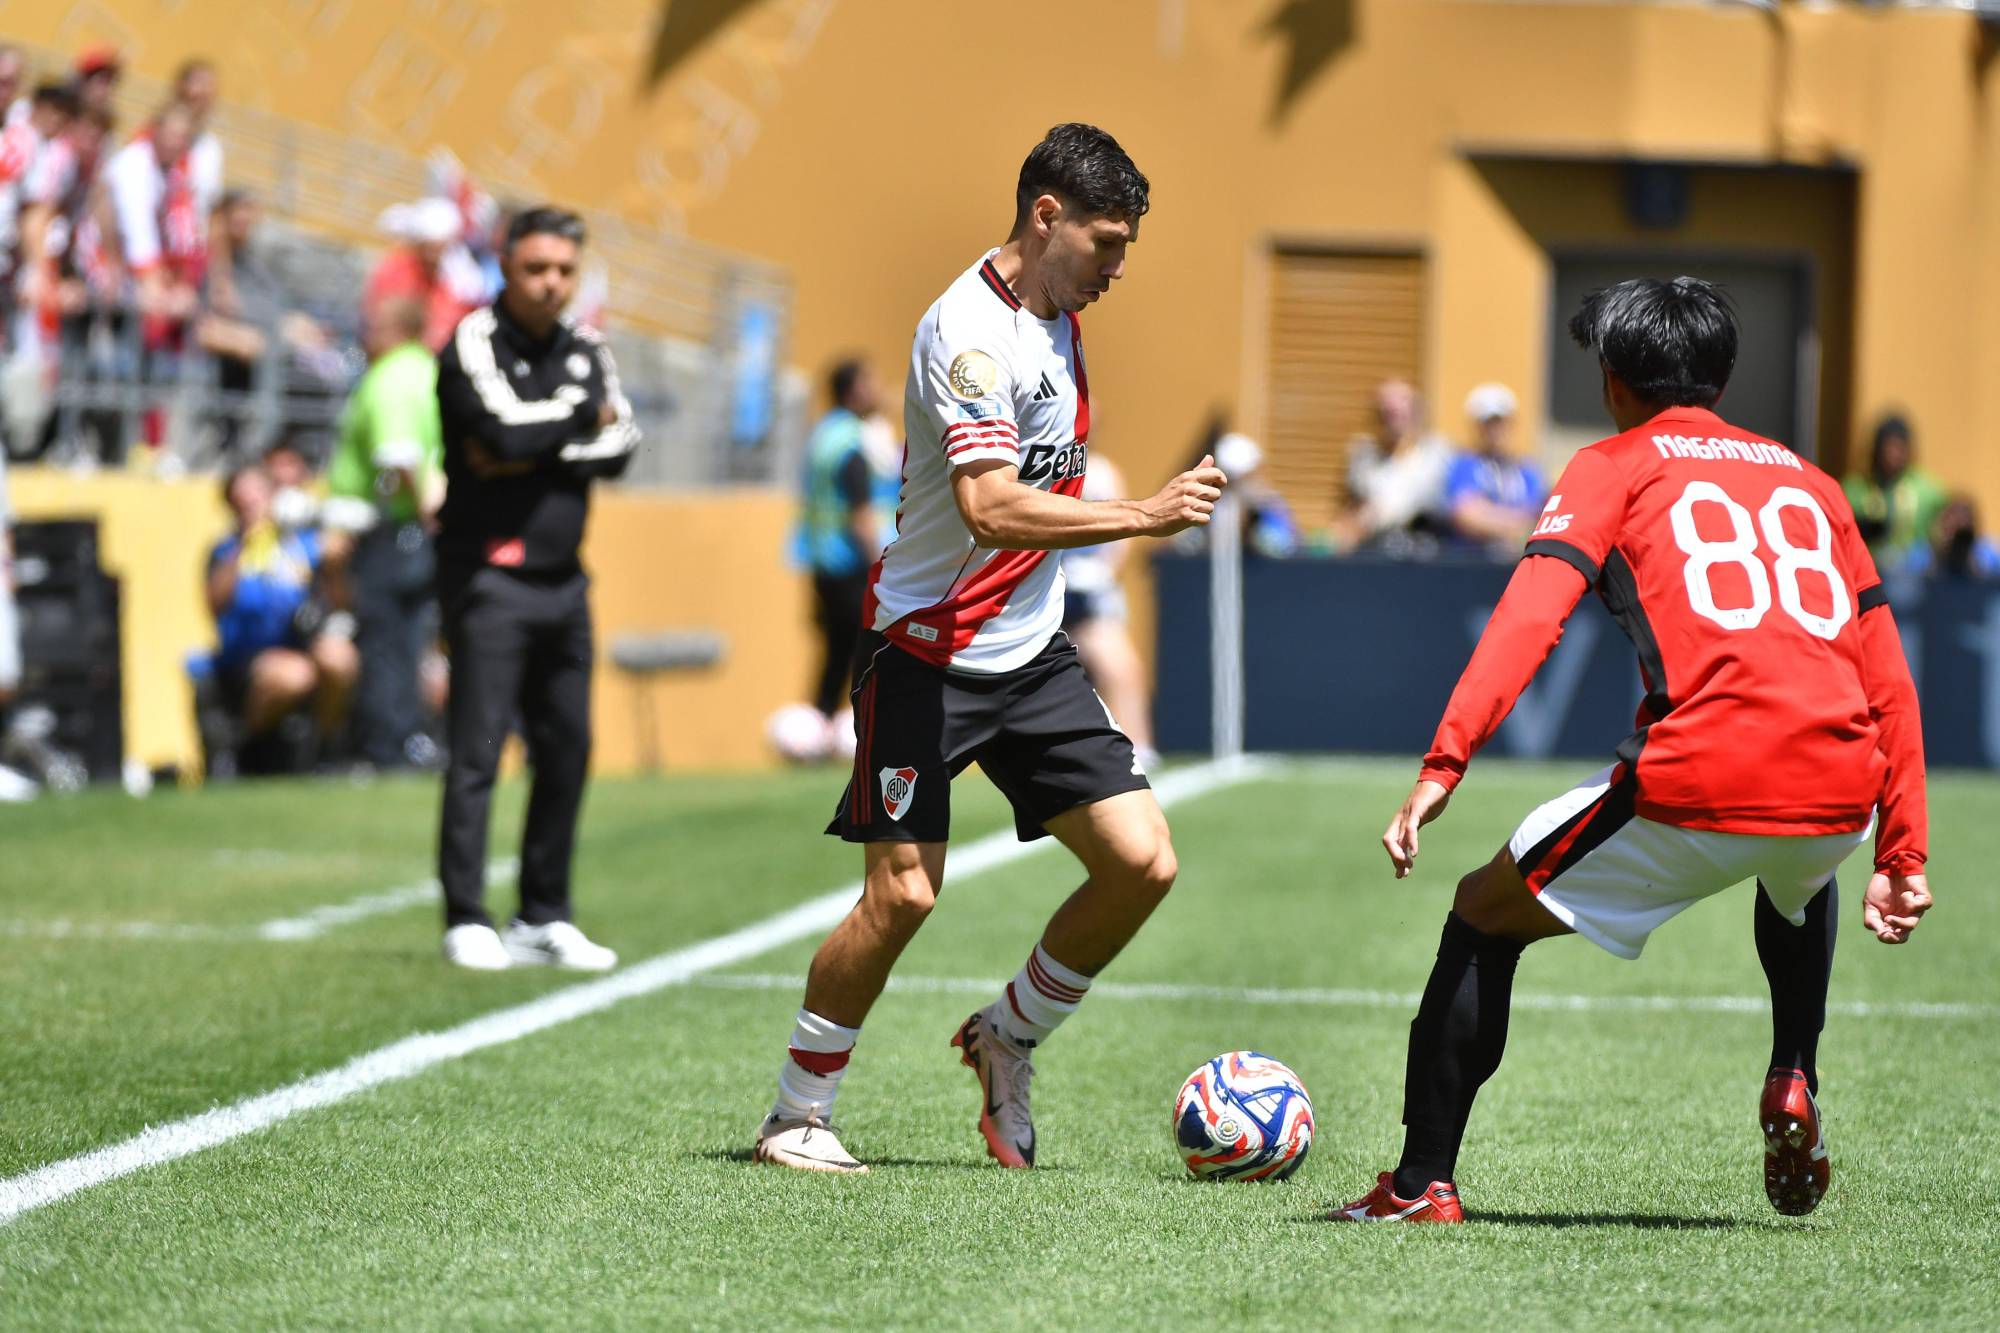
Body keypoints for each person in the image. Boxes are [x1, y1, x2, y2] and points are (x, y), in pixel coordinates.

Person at [1333, 277, 1931, 1225]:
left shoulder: (1613, 464)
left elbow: (1527, 618)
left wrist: (1444, 764)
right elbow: (1889, 678)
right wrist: (1903, 853)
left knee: (1482, 916)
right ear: (1724, 378)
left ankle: (1417, 1187)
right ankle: (1794, 1069)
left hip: (1700, 778)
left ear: (1613, 379)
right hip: (1840, 793)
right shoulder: (1813, 481)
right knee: (1799, 875)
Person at [751, 123, 1229, 1176]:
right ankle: (795, 1113)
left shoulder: (1058, 316)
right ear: (1043, 215)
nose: (1115, 268)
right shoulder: (967, 332)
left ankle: (1006, 1034)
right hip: (924, 652)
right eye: (1105, 242)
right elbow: (986, 506)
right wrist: (1141, 515)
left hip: (1029, 653)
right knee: (904, 896)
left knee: (1142, 860)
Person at [431, 205, 638, 972]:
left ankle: (542, 912)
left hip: (563, 579)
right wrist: (575, 420)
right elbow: (499, 430)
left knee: (568, 748)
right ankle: (465, 914)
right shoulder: (470, 340)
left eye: (563, 271)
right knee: (479, 749)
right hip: (488, 574)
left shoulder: (587, 346)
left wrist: (530, 445)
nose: (551, 284)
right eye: (535, 269)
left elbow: (622, 446)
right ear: (505, 268)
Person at [323, 296, 445, 770]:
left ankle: (387, 746)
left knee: (384, 638)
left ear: (395, 328)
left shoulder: (390, 379)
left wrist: (422, 513)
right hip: (413, 528)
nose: (364, 334)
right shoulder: (426, 373)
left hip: (392, 529)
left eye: (372, 324)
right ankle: (410, 736)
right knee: (412, 636)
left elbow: (398, 456)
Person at [206, 463, 359, 765]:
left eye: (259, 496)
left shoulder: (300, 545)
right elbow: (214, 604)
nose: (254, 507)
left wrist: (336, 568)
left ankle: (325, 752)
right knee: (293, 675)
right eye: (244, 501)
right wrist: (244, 544)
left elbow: (342, 604)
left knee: (340, 658)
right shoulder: (225, 551)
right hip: (246, 660)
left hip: (300, 647)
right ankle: (247, 750)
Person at [794, 355, 886, 729]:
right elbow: (860, 512)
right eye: (871, 380)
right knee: (870, 650)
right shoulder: (851, 440)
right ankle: (863, 728)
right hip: (850, 563)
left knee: (836, 651)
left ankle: (821, 726)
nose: (879, 389)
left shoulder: (822, 434)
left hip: (822, 560)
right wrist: (881, 566)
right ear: (854, 391)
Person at [1062, 452, 1158, 768]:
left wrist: (1104, 573)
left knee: (1119, 668)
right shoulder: (1031, 461)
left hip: (1088, 587)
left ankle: (1136, 745)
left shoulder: (1102, 470)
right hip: (1044, 585)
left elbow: (1122, 530)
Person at [1344, 378, 1453, 552]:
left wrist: (1375, 515)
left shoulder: (1437, 454)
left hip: (1425, 552)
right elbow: (1350, 510)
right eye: (1387, 414)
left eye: (1400, 413)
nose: (1393, 421)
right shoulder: (1363, 458)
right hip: (1376, 552)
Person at [367, 197, 483, 353]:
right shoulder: (397, 270)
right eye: (429, 248)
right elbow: (383, 321)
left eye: (439, 249)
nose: (432, 256)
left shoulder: (454, 278)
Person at [1444, 382, 1546, 552]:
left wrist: (1488, 512)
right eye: (1487, 423)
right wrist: (1518, 524)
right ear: (1476, 426)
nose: (1495, 430)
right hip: (1474, 563)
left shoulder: (1527, 470)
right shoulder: (1463, 465)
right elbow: (1467, 516)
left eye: (1500, 422)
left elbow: (1539, 517)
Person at [1843, 414, 1945, 574]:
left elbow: (1940, 534)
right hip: (1867, 574)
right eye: (1888, 447)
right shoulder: (1854, 489)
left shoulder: (1928, 492)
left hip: (1915, 579)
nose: (1893, 455)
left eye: (1899, 448)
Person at [1907, 493, 2000, 581]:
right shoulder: (1922, 554)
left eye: (1961, 534)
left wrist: (1976, 569)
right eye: (1950, 526)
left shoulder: (1988, 555)